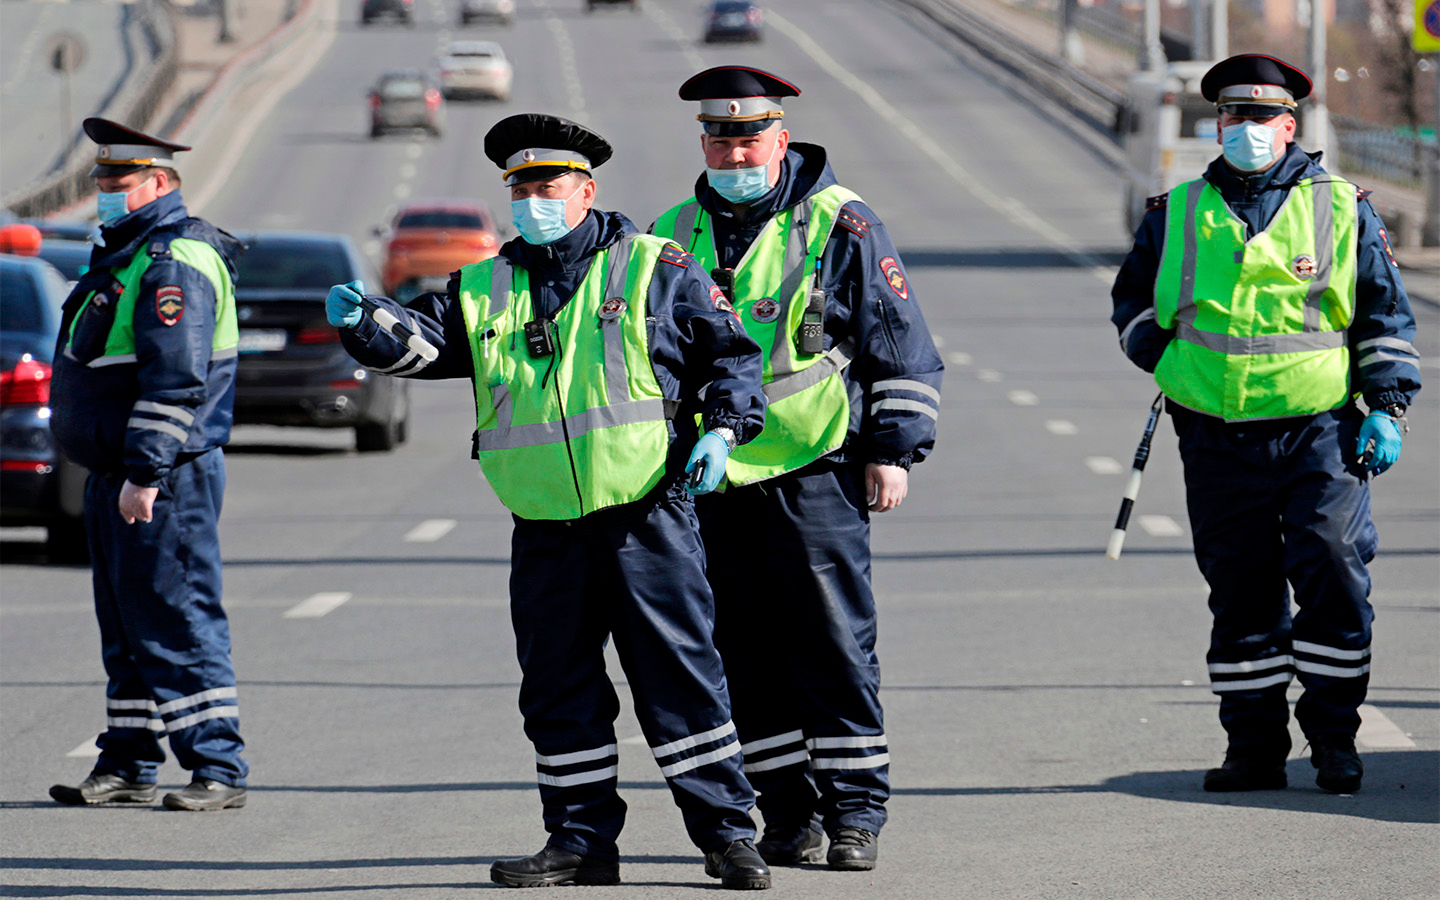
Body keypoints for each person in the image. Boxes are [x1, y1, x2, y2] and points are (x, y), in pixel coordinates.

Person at [326, 113, 774, 890]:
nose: (534, 198)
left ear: (585, 191)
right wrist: (370, 324)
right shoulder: (484, 282)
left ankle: (729, 837)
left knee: (680, 681)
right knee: (559, 691)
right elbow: (426, 347)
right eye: (523, 186)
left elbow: (730, 355)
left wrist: (725, 430)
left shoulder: (653, 266)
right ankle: (579, 842)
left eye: (549, 185)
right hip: (544, 530)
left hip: (645, 518)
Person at [651, 67, 944, 869]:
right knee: (742, 652)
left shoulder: (840, 224)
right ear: (703, 142)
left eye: (750, 139)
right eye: (720, 138)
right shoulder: (671, 233)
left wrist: (891, 451)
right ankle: (786, 813)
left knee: (833, 643)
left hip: (817, 465)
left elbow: (901, 343)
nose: (735, 152)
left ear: (781, 139)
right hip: (711, 478)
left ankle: (855, 814)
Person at [1111, 55, 1422, 794]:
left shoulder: (1342, 207)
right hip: (1214, 432)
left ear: (1290, 126)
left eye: (1260, 118)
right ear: (1217, 124)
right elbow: (1131, 304)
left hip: (1319, 431)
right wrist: (1161, 358)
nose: (1244, 129)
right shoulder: (1174, 211)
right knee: (1241, 588)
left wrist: (1388, 406)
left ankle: (1336, 742)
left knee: (1334, 569)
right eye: (1231, 116)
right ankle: (1252, 748)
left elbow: (1384, 316)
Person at [47, 118, 250, 811]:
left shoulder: (172, 261)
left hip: (164, 475)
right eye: (100, 179)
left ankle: (218, 766)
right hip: (119, 470)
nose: (105, 191)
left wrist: (145, 475)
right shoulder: (127, 253)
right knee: (126, 621)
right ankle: (130, 760)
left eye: (118, 181)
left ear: (160, 183)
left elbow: (175, 381)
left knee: (177, 612)